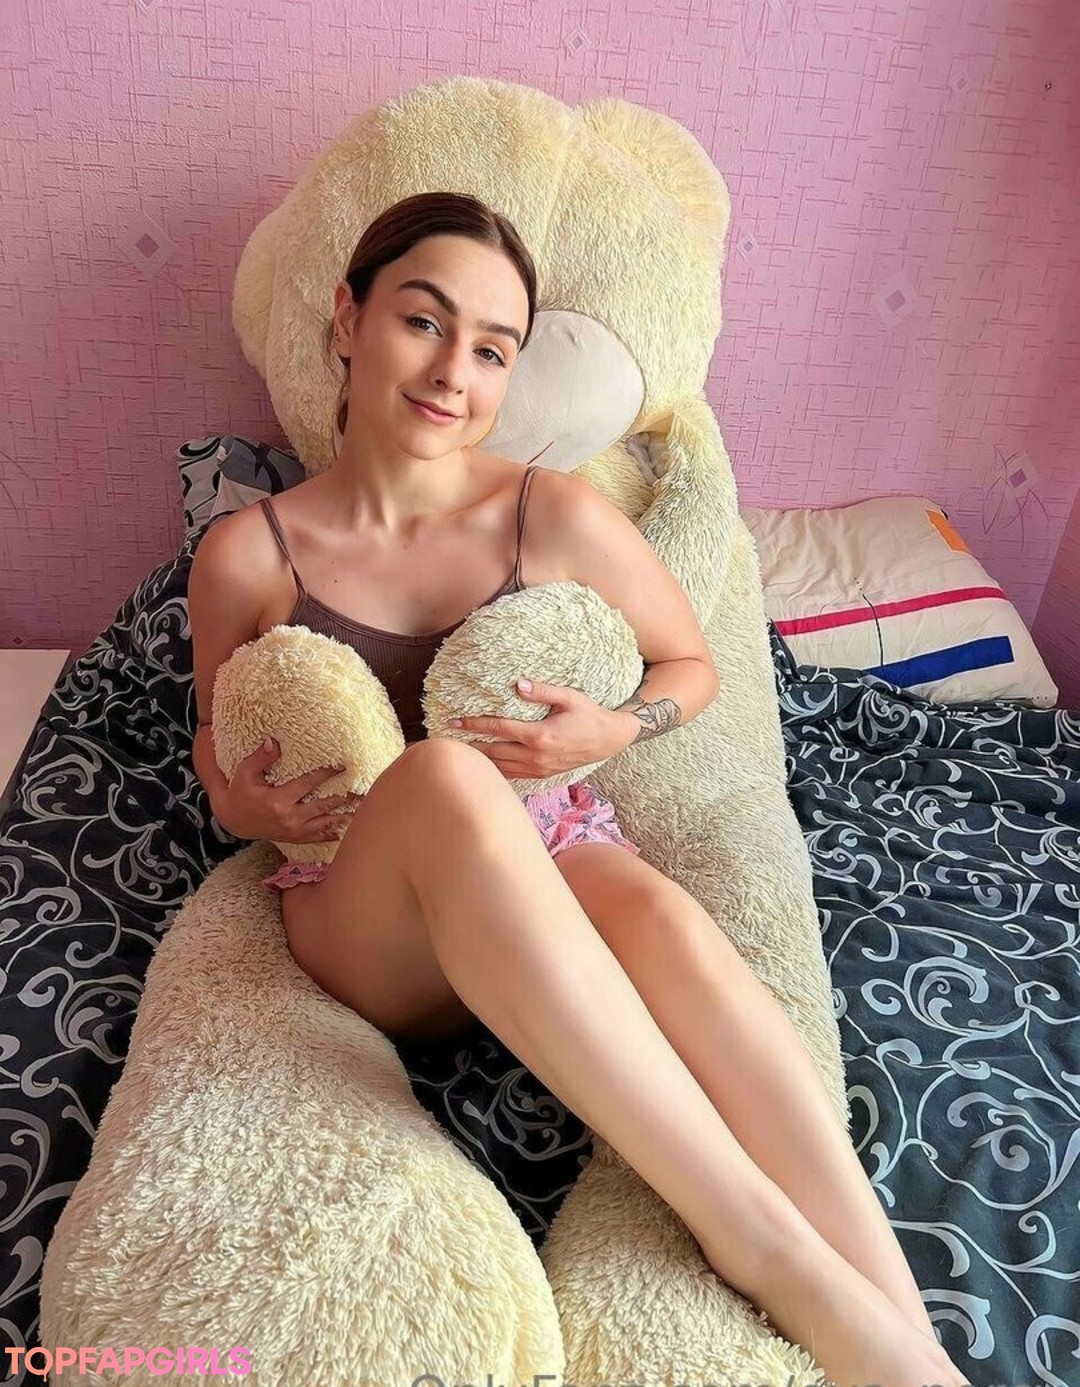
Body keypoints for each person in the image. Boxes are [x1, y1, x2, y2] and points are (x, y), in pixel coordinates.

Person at [187, 191, 970, 1387]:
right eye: (423, 322)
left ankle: (903, 1331)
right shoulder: (250, 554)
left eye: (492, 348)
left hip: (546, 849)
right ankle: (756, 1240)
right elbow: (217, 745)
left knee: (663, 916)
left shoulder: (547, 511)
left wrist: (613, 725)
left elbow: (690, 665)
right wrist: (243, 808)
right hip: (367, 908)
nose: (454, 373)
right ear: (348, 319)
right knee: (446, 779)